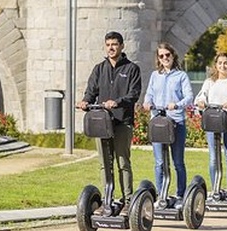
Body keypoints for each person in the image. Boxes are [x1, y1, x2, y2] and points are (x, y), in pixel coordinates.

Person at [77, 31, 142, 212]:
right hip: (102, 123)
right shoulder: (99, 68)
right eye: (108, 45)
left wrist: (117, 102)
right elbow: (91, 90)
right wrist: (85, 102)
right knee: (104, 163)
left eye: (114, 44)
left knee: (122, 162)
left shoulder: (131, 69)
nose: (111, 48)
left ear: (122, 46)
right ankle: (107, 199)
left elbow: (134, 94)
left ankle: (128, 201)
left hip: (122, 122)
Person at [142, 41, 193, 202]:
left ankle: (180, 195)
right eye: (161, 56)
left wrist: (177, 104)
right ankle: (160, 195)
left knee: (177, 161)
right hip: (158, 121)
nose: (165, 58)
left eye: (167, 55)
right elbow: (149, 93)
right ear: (158, 58)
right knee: (159, 162)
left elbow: (189, 97)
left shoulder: (181, 76)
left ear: (173, 56)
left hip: (176, 121)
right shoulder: (155, 76)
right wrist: (147, 102)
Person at [194, 52, 227, 194]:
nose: (223, 65)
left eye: (226, 63)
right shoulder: (209, 82)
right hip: (212, 122)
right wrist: (201, 102)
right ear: (215, 65)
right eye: (220, 63)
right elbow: (201, 95)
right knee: (213, 157)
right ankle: (215, 189)